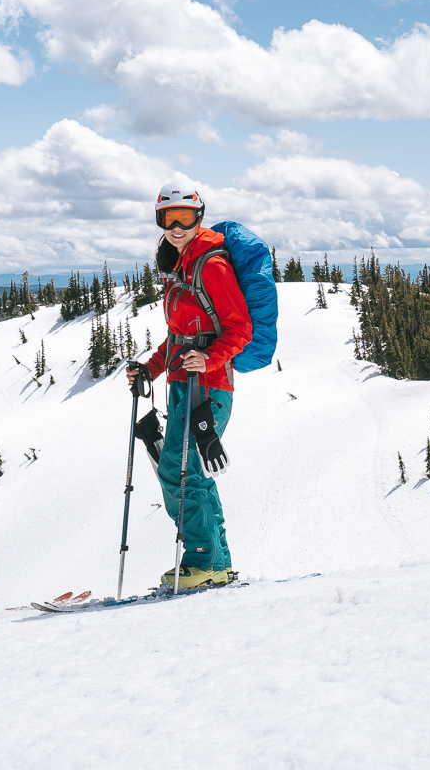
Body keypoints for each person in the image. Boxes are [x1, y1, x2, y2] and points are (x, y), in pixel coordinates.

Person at [125, 183, 252, 590]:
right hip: (184, 384)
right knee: (190, 471)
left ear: (199, 217)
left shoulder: (211, 266)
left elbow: (240, 328)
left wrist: (211, 358)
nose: (177, 226)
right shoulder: (183, 268)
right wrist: (151, 369)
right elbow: (179, 338)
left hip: (210, 387)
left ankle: (203, 559)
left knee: (177, 469)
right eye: (168, 218)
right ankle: (218, 560)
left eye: (185, 217)